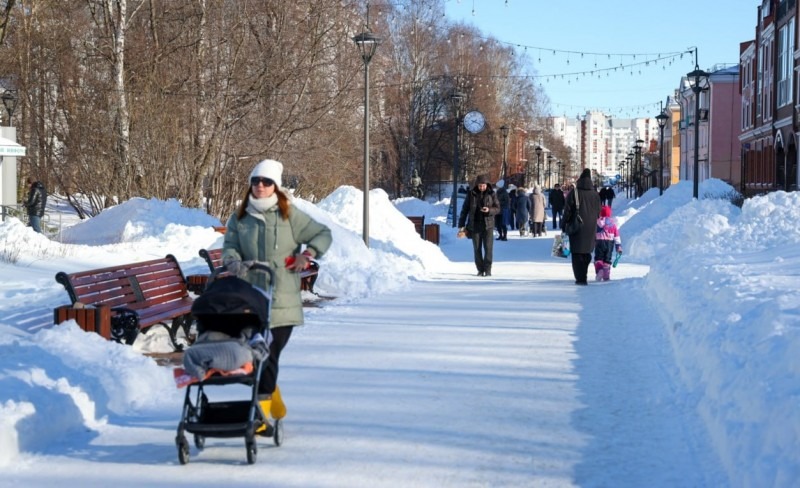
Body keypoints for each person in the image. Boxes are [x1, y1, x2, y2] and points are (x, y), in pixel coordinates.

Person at [222, 159, 332, 433]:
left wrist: (306, 255)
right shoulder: (239, 217)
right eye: (256, 181)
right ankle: (267, 403)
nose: (260, 186)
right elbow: (230, 248)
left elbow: (322, 234)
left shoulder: (289, 215)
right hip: (250, 297)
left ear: (276, 186)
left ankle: (261, 413)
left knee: (270, 353)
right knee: (256, 355)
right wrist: (234, 261)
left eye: (266, 182)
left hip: (282, 298)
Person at [562, 169, 601, 285]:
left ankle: (580, 278)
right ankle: (583, 273)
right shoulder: (595, 194)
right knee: (587, 252)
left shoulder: (574, 193)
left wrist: (564, 224)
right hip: (591, 226)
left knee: (577, 252)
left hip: (577, 225)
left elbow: (567, 210)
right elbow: (599, 210)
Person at [458, 175, 500, 276]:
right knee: (477, 249)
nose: (482, 187)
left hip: (488, 226)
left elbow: (498, 208)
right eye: (480, 185)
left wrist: (489, 210)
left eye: (483, 185)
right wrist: (461, 225)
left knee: (488, 248)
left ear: (487, 185)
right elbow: (465, 210)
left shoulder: (492, 194)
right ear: (477, 185)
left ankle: (488, 269)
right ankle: (480, 270)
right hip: (474, 225)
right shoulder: (471, 194)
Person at [594, 205, 622, 281]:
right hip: (609, 243)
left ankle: (600, 270)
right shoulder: (613, 224)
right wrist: (618, 246)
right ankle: (606, 275)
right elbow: (617, 236)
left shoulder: (597, 222)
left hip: (599, 242)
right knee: (607, 259)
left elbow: (593, 233)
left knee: (598, 258)